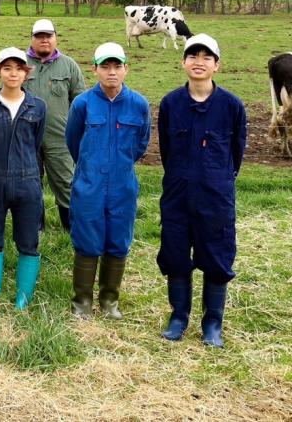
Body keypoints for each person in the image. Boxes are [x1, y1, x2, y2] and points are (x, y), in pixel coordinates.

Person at [157, 34, 246, 348]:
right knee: (175, 253)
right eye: (192, 56)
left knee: (216, 256)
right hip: (177, 194)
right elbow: (166, 151)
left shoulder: (232, 106)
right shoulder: (170, 104)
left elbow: (236, 153)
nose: (199, 62)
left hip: (215, 197)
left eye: (207, 57)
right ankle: (178, 316)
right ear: (183, 62)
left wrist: (216, 179)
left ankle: (212, 323)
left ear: (216, 65)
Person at [66, 42, 150, 320]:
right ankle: (82, 301)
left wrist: (119, 166)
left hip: (122, 185)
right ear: (95, 70)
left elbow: (141, 144)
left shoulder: (139, 104)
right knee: (87, 239)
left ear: (126, 69)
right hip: (89, 184)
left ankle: (110, 300)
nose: (111, 72)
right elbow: (73, 141)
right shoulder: (82, 103)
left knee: (118, 239)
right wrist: (91, 166)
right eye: (105, 66)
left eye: (117, 66)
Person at [0, 48, 47, 310]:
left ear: (26, 73)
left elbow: (36, 143)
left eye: (19, 68)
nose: (13, 73)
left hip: (28, 180)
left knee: (28, 240)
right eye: (7, 68)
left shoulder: (38, 106)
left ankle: (22, 300)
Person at [23, 19, 85, 231]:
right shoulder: (20, 64)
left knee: (66, 181)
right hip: (26, 137)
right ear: (32, 39)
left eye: (48, 36)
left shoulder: (69, 65)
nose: (44, 40)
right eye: (39, 36)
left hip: (60, 138)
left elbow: (80, 102)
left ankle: (71, 228)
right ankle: (35, 229)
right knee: (30, 183)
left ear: (55, 38)